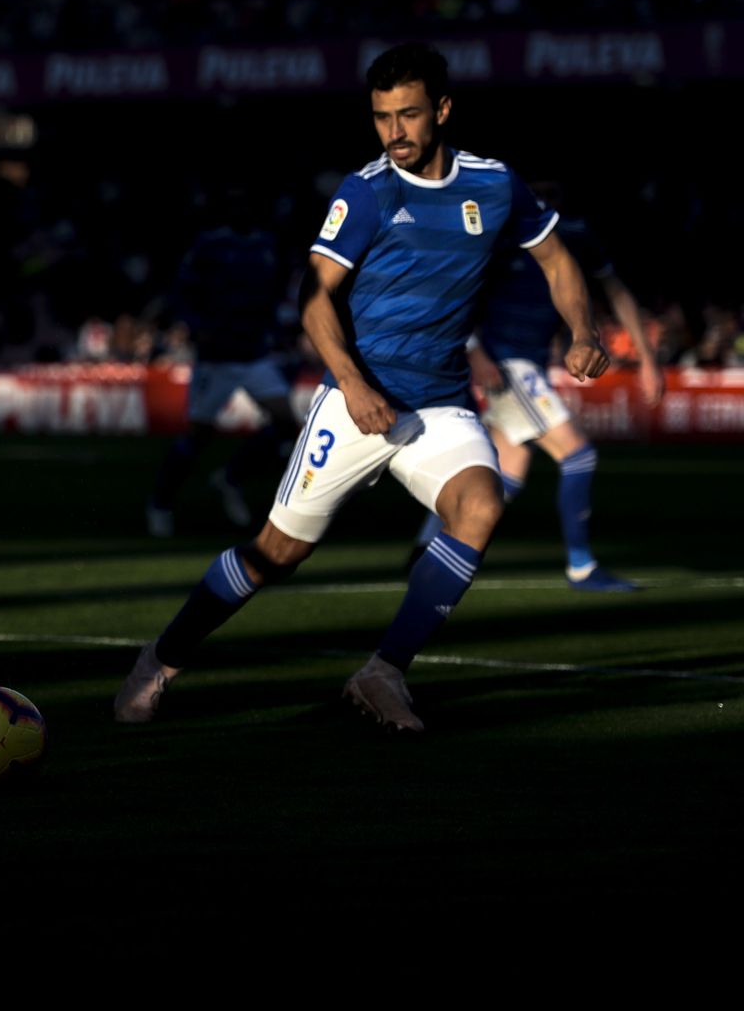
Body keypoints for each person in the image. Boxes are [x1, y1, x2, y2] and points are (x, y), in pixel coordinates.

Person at [115, 42, 609, 733]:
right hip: (357, 402)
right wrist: (349, 384)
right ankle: (160, 659)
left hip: (438, 404)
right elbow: (314, 297)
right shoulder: (368, 191)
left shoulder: (494, 186)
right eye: (381, 118)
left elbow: (557, 260)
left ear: (442, 109)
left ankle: (381, 675)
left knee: (481, 504)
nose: (394, 133)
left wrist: (583, 331)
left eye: (408, 115)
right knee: (275, 553)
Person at [409, 182, 664, 590]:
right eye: (540, 189)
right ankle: (581, 567)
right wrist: (475, 351)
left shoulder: (576, 236)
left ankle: (426, 551)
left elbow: (618, 293)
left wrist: (649, 359)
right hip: (506, 363)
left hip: (527, 365)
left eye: (554, 191)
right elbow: (455, 293)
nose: (548, 199)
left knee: (502, 472)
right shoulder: (503, 234)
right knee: (578, 455)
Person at [146, 187, 297, 536]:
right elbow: (183, 292)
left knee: (287, 424)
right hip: (217, 358)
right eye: (237, 205)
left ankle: (231, 477)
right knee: (198, 436)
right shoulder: (210, 245)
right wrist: (199, 329)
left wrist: (275, 327)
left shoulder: (267, 245)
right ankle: (160, 504)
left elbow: (274, 293)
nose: (243, 211)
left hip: (255, 352)